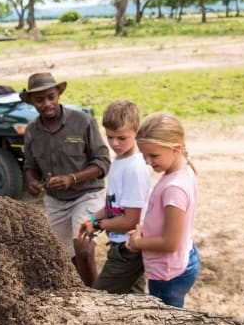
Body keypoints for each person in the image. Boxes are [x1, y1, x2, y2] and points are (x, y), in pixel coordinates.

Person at [21, 72, 111, 286]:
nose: (46, 104)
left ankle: (95, 299)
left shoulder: (82, 122)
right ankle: (80, 292)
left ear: (58, 94)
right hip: (56, 202)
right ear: (32, 102)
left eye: (50, 97)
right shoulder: (32, 131)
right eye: (39, 100)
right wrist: (31, 181)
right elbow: (29, 166)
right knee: (63, 256)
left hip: (87, 195)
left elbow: (103, 162)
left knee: (84, 249)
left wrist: (72, 178)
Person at [126, 111, 200, 308]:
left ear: (176, 149)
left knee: (169, 322)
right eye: (144, 155)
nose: (147, 162)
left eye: (154, 155)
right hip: (180, 260)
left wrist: (138, 242)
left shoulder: (174, 188)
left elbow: (170, 243)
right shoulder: (182, 170)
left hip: (168, 274)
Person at [77, 100, 152, 294]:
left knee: (100, 296)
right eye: (109, 137)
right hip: (120, 244)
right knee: (133, 300)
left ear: (136, 131)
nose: (115, 144)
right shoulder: (119, 160)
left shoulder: (134, 168)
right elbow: (113, 207)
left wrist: (98, 225)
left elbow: (130, 220)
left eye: (121, 138)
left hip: (128, 249)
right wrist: (93, 218)